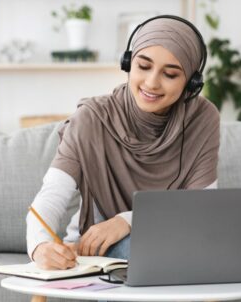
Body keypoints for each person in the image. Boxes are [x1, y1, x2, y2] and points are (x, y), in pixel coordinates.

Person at [26, 15, 220, 270]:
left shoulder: (202, 119)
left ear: (191, 84)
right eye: (143, 66)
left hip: (173, 243)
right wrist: (39, 247)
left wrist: (127, 221)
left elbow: (200, 210)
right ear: (128, 64)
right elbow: (51, 196)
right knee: (137, 253)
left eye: (170, 74)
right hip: (101, 250)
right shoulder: (92, 118)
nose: (151, 83)